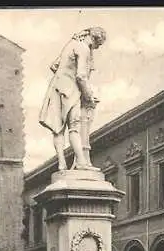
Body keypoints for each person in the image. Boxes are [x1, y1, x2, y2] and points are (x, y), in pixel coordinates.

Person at [39, 27, 107, 170]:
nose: (97, 48)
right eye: (98, 45)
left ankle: (62, 164)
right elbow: (81, 76)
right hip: (70, 90)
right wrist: (89, 96)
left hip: (56, 87)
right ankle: (82, 163)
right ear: (95, 39)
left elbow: (54, 66)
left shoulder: (71, 44)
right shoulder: (83, 48)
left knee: (58, 129)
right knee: (74, 127)